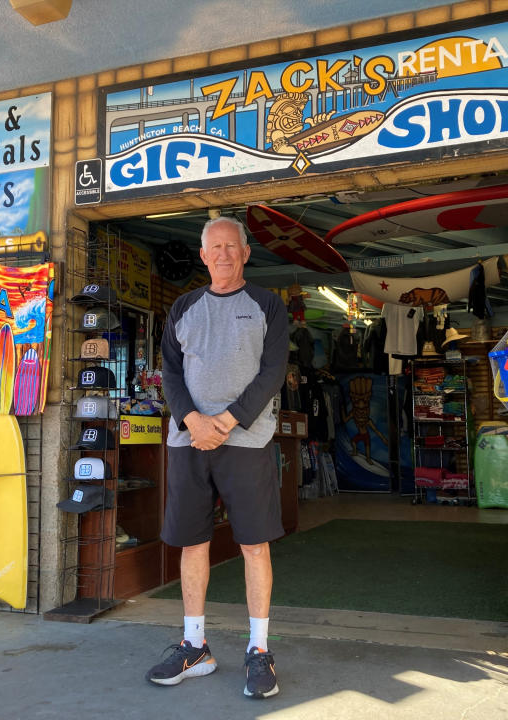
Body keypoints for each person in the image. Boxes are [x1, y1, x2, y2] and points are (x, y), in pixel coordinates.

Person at [147, 215, 288, 699]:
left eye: (233, 246)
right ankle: (194, 645)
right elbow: (168, 371)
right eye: (215, 248)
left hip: (245, 442)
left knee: (253, 545)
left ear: (245, 253)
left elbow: (273, 371)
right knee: (193, 542)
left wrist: (225, 423)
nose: (224, 254)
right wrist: (192, 422)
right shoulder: (183, 306)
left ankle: (259, 650)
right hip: (189, 443)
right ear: (203, 256)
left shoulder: (268, 305)